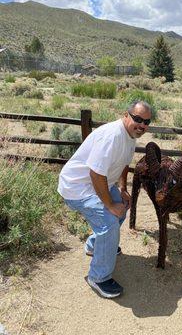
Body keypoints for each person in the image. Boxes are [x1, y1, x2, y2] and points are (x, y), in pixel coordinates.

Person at [57, 100, 152, 298]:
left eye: (146, 122)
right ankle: (98, 277)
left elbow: (125, 163)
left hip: (98, 184)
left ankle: (95, 245)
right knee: (109, 223)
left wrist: (122, 188)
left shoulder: (130, 135)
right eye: (137, 119)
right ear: (126, 115)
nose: (142, 125)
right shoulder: (113, 135)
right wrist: (109, 204)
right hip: (78, 188)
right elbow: (95, 173)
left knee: (123, 205)